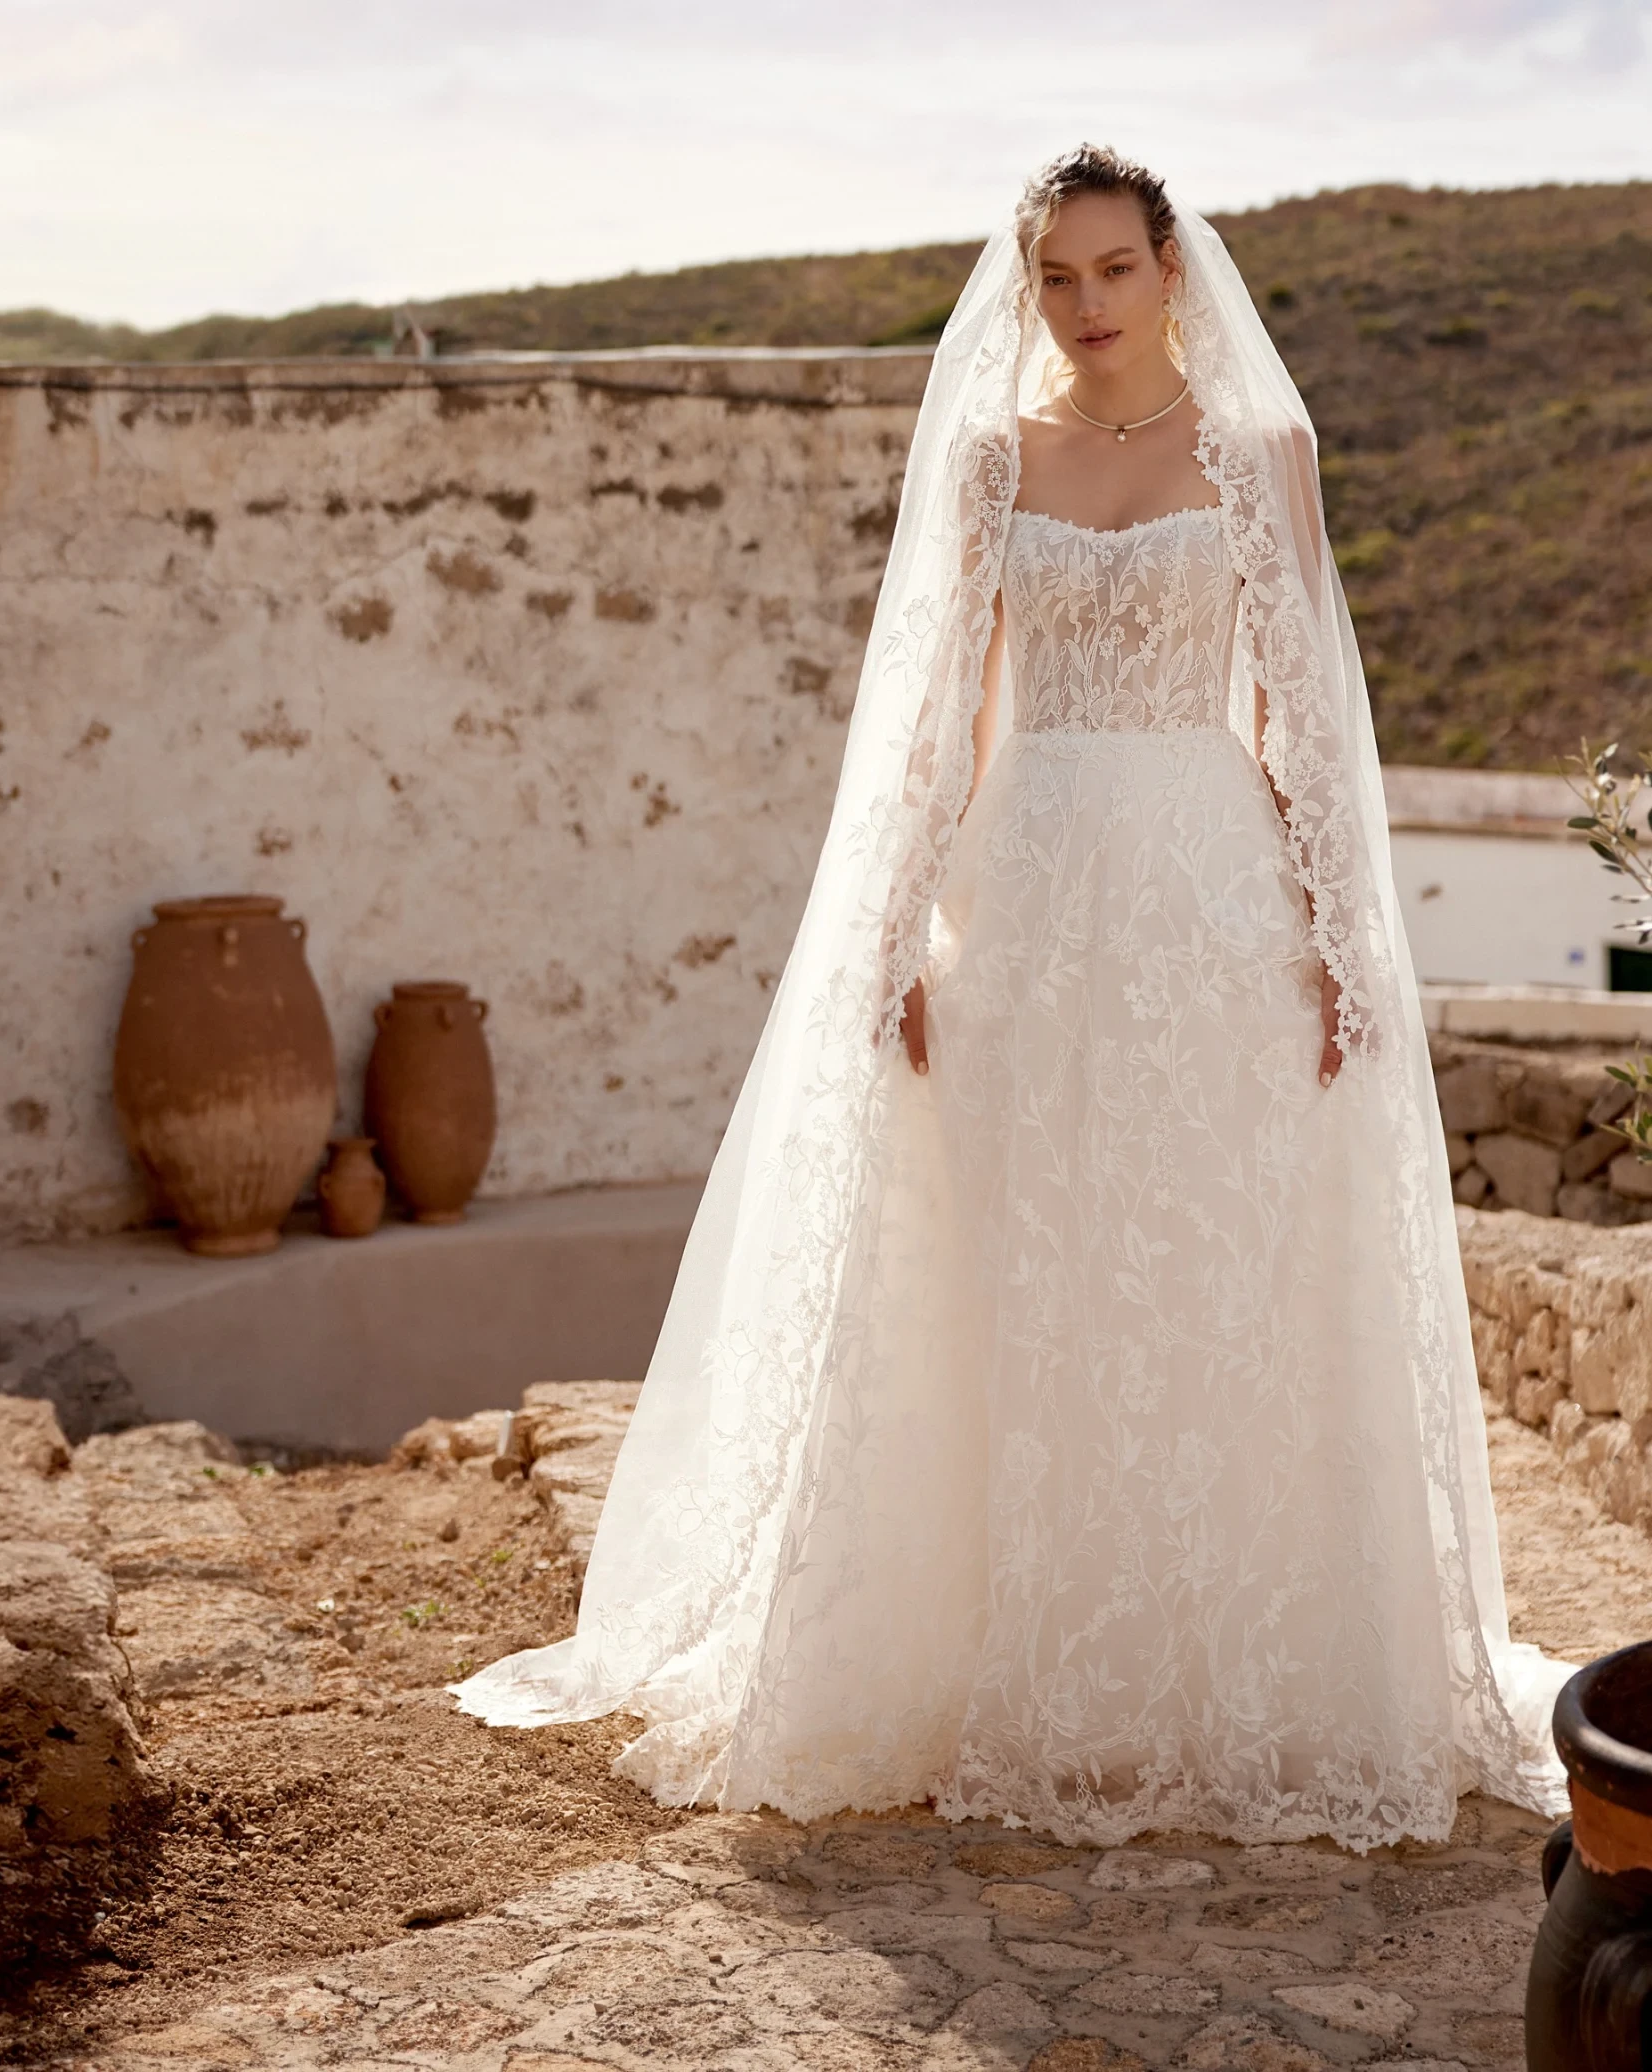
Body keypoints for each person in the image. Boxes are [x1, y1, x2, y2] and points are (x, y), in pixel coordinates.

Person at [452, 145, 1571, 1851]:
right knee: (1018, 1251)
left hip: (1209, 890)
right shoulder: (990, 457)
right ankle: (1009, 1656)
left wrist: (1343, 942)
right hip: (1030, 884)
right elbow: (936, 716)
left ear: (1171, 269)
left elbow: (1303, 714)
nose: (1088, 304)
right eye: (1058, 275)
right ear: (1030, 281)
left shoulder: (1266, 452)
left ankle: (1221, 1663)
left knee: (1207, 1249)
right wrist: (901, 924)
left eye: (1116, 269)